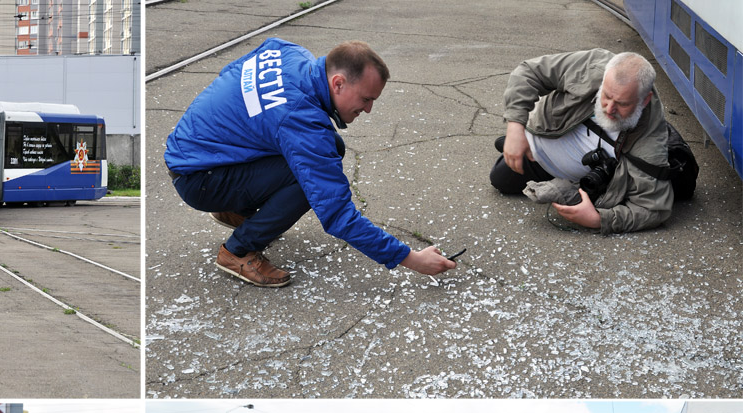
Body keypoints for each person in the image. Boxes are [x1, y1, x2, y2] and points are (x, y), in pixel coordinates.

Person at [164, 38, 456, 287]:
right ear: (338, 83)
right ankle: (238, 251)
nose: (368, 109)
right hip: (200, 179)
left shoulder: (289, 52)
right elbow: (337, 214)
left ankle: (236, 210)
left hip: (200, 155)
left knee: (329, 148)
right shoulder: (300, 117)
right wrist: (412, 259)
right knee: (308, 181)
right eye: (366, 99)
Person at [491, 49, 673, 232]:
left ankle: (523, 148)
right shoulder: (592, 65)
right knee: (500, 178)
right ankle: (518, 141)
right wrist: (515, 126)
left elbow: (653, 210)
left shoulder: (650, 141)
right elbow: (528, 72)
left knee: (502, 177)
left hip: (583, 180)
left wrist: (599, 220)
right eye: (606, 96)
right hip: (547, 135)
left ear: (645, 100)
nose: (609, 109)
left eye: (622, 104)